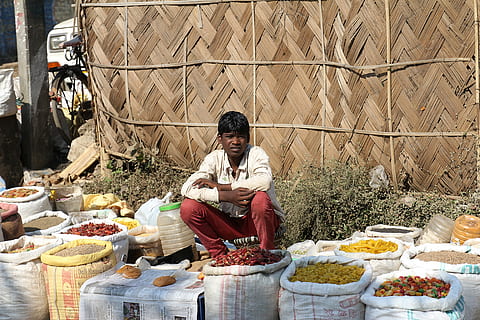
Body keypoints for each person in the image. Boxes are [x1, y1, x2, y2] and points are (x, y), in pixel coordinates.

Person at [180, 111, 285, 258]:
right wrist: (223, 196)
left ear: (247, 138)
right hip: (231, 224)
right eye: (229, 136)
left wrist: (224, 187)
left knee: (260, 198)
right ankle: (220, 255)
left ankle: (268, 253)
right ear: (220, 139)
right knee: (188, 208)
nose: (235, 142)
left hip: (260, 223)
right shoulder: (214, 159)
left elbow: (264, 181)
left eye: (240, 136)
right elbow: (187, 188)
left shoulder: (255, 153)